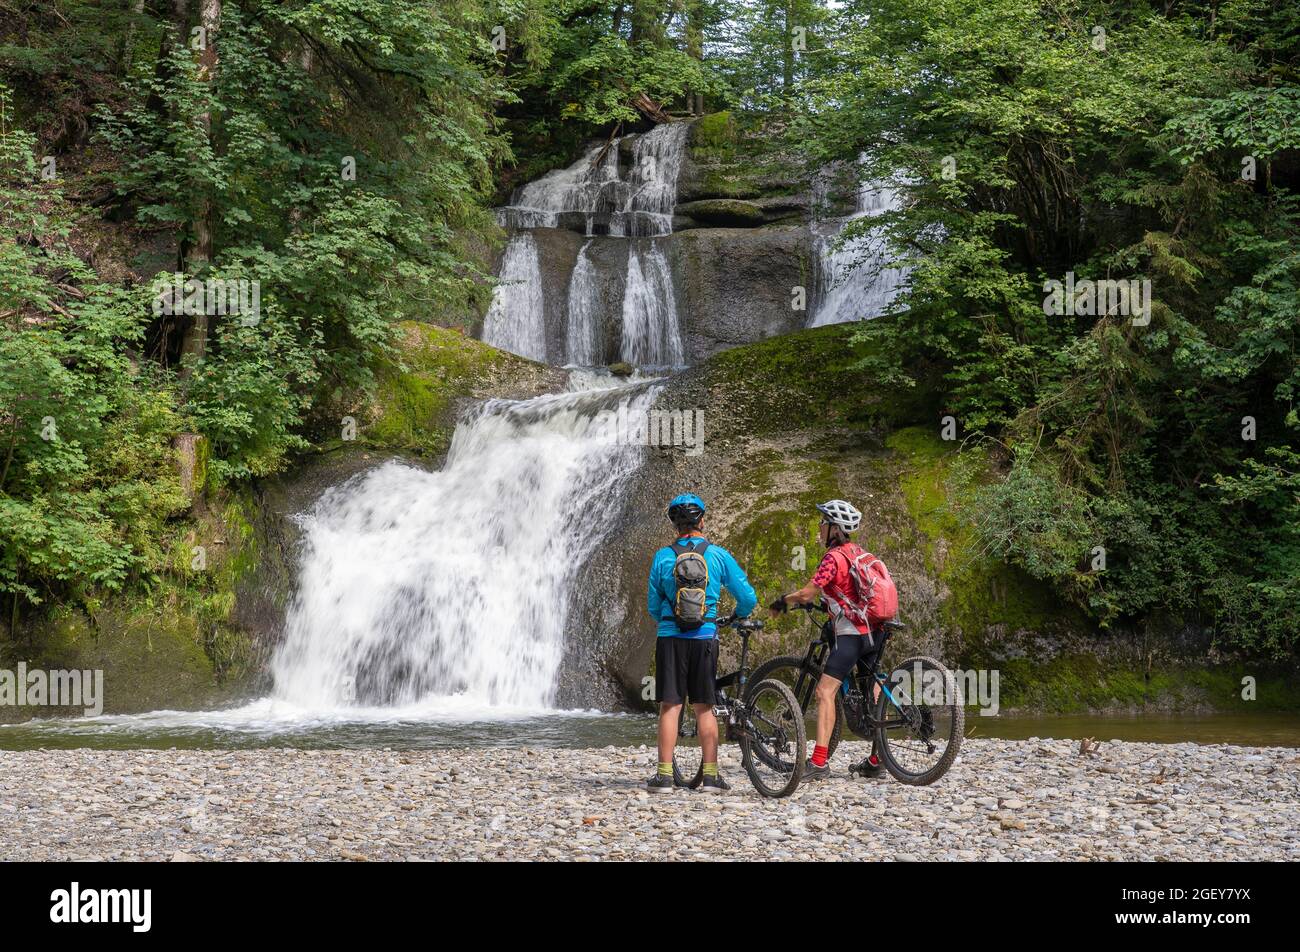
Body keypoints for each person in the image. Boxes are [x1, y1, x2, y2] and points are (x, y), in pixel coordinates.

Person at [646, 493, 757, 794]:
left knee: (670, 706)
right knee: (704, 708)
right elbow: (748, 597)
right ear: (702, 521)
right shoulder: (718, 555)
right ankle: (710, 777)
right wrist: (737, 616)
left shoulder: (663, 557)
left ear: (675, 526)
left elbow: (653, 606)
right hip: (705, 637)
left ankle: (664, 777)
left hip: (670, 638)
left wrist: (669, 617)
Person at [767, 499, 886, 781]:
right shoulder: (858, 552)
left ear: (835, 528)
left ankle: (819, 761)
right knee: (875, 688)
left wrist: (783, 602)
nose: (819, 528)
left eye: (823, 523)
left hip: (852, 634)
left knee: (824, 692)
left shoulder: (832, 558)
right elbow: (851, 593)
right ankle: (878, 759)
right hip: (876, 630)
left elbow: (808, 593)